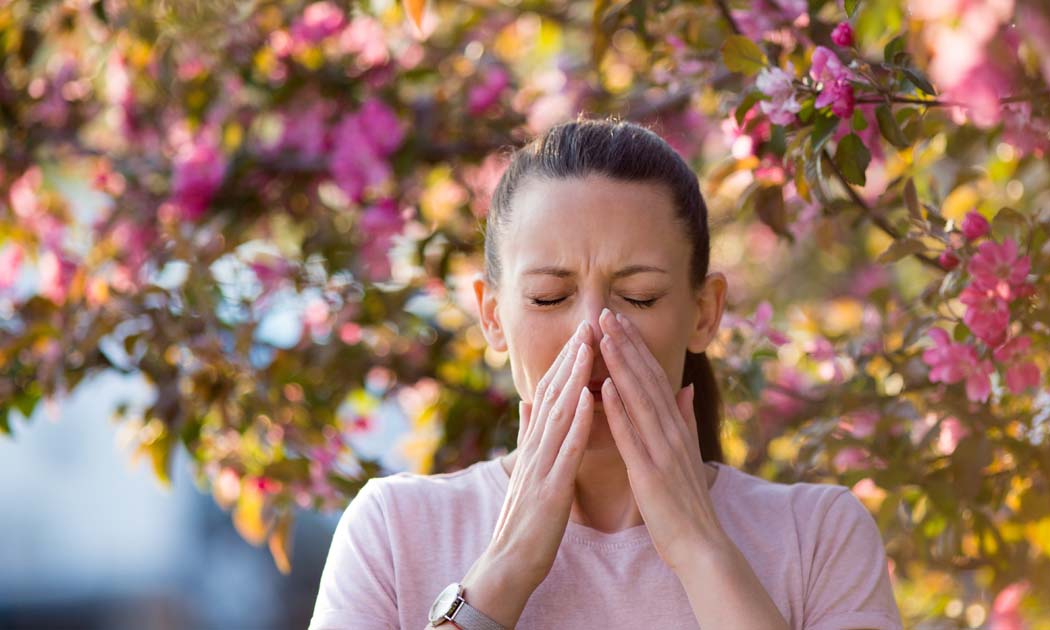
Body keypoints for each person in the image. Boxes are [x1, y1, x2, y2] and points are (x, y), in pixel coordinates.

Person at [309, 117, 902, 629]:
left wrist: (700, 549)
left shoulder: (818, 534)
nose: (591, 331)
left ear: (704, 313)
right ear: (492, 315)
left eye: (639, 297)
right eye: (547, 297)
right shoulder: (394, 529)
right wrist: (506, 567)